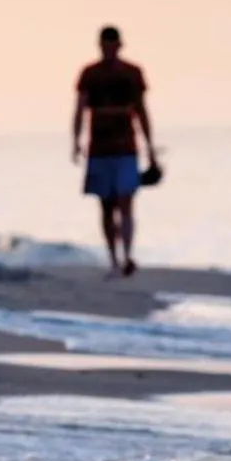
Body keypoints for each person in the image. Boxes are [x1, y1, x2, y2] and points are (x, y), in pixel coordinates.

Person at [72, 26, 155, 277]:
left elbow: (142, 110)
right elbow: (80, 108)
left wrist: (150, 147)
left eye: (112, 45)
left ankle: (127, 255)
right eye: (105, 45)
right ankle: (113, 258)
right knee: (107, 206)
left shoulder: (132, 73)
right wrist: (76, 140)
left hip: (126, 147)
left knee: (126, 200)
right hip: (99, 147)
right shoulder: (90, 74)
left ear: (119, 45)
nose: (108, 50)